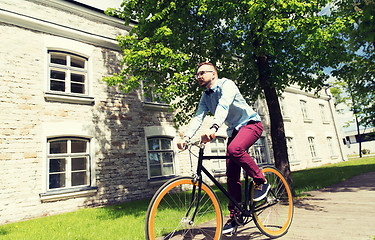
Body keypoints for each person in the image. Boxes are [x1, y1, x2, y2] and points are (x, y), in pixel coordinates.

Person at [177, 62, 270, 235]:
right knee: (231, 173)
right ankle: (235, 216)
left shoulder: (227, 84)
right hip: (234, 130)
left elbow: (224, 105)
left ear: (213, 74)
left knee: (234, 150)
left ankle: (261, 180)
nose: (198, 76)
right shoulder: (205, 97)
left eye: (202, 73)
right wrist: (187, 138)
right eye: (197, 74)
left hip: (251, 124)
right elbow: (198, 117)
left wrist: (213, 127)